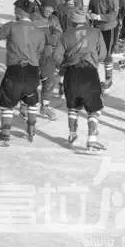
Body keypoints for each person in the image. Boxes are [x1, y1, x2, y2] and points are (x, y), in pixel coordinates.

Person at [0, 0, 47, 145]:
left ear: (19, 11)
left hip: (15, 71)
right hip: (32, 72)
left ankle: (5, 135)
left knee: (7, 102)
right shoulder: (39, 31)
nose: (13, 12)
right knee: (32, 101)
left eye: (15, 9)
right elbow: (40, 51)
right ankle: (31, 129)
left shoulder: (11, 26)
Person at [52, 9, 107, 151]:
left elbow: (56, 56)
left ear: (72, 21)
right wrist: (94, 60)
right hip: (89, 72)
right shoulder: (95, 32)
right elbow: (103, 54)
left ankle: (72, 133)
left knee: (73, 105)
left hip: (71, 73)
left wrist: (64, 65)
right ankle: (92, 139)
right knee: (93, 108)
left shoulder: (65, 35)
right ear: (85, 20)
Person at [30, 0, 62, 120]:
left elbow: (58, 33)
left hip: (47, 56)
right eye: (46, 9)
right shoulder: (33, 17)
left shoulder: (54, 20)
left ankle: (45, 107)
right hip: (32, 55)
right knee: (31, 83)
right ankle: (24, 107)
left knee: (50, 81)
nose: (48, 12)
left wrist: (48, 39)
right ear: (42, 7)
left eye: (51, 10)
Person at [88, 0, 119, 88]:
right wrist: (90, 13)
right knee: (95, 53)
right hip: (97, 27)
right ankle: (93, 77)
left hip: (109, 28)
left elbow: (114, 14)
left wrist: (99, 17)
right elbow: (91, 5)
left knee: (107, 54)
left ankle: (108, 78)